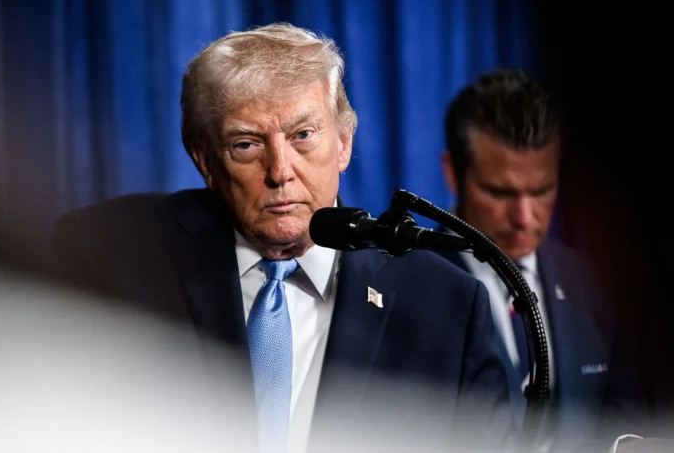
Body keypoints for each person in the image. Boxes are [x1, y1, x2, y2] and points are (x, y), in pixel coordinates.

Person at [52, 23, 513, 453]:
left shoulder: (448, 307)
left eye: (303, 135)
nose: (280, 172)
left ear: (345, 142)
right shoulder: (108, 254)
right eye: (246, 144)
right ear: (205, 161)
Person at [437, 69, 651, 451]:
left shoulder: (597, 284)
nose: (525, 217)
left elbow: (626, 415)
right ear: (453, 173)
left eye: (542, 190)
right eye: (500, 192)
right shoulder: (406, 285)